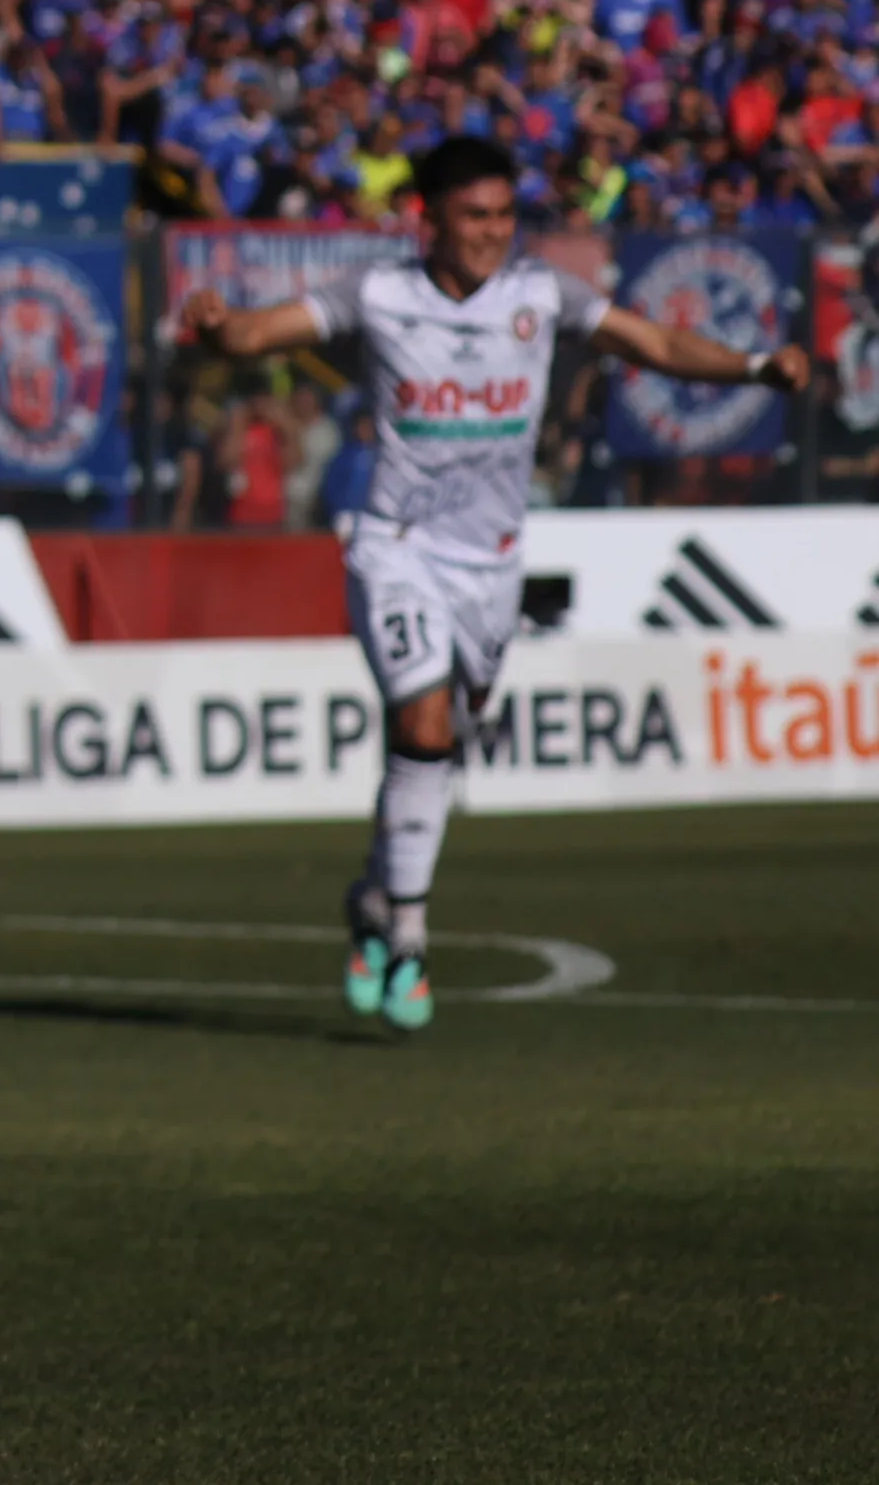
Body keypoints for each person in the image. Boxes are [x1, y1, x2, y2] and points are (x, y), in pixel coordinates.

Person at [175, 134, 809, 1033]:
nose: (490, 233)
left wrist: (754, 367)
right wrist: (215, 325)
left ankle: (373, 896)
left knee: (442, 741)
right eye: (473, 216)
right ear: (425, 218)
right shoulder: (382, 293)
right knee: (422, 720)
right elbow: (256, 330)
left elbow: (654, 339)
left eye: (503, 216)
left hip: (491, 563)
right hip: (394, 548)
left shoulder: (540, 295)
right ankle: (408, 935)